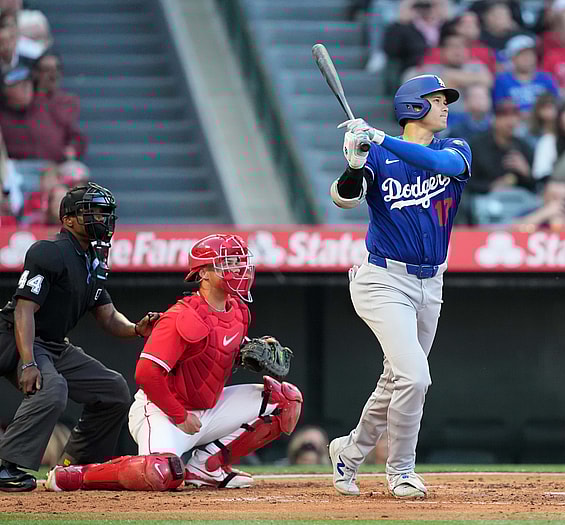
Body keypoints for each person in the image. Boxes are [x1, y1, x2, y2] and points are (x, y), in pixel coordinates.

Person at [45, 234, 304, 491]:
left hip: (208, 406)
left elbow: (215, 350)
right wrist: (179, 415)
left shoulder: (239, 310)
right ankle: (76, 475)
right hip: (164, 410)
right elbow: (146, 373)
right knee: (159, 472)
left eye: (239, 262)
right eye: (227, 263)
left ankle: (208, 467)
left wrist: (244, 353)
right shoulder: (181, 316)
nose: (237, 269)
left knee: (285, 400)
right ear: (203, 273)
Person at [328, 74, 471, 499]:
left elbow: (443, 168)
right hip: (383, 280)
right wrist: (355, 164)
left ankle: (348, 453)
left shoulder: (454, 148)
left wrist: (380, 139)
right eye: (437, 99)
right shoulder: (377, 155)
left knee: (396, 380)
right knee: (415, 377)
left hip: (431, 282)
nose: (445, 106)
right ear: (414, 106)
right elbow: (343, 197)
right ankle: (401, 470)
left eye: (445, 100)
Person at [0, 183, 159, 492]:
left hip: (53, 343)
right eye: (93, 212)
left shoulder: (94, 261)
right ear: (68, 219)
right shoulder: (49, 251)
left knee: (113, 389)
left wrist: (136, 328)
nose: (102, 218)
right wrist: (29, 362)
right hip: (16, 336)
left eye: (105, 212)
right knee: (52, 389)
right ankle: (7, 466)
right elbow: (24, 309)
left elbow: (108, 316)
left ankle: (76, 466)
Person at [468, 98, 535, 194]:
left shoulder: (524, 147)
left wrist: (526, 172)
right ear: (494, 119)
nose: (511, 121)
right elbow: (467, 182)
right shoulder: (477, 145)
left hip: (518, 197)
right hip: (484, 197)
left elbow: (535, 186)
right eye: (505, 116)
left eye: (515, 116)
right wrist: (491, 187)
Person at [492, 34, 558, 113]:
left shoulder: (545, 78)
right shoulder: (502, 80)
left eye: (530, 54)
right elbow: (499, 108)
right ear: (512, 58)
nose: (527, 58)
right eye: (522, 55)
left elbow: (555, 103)